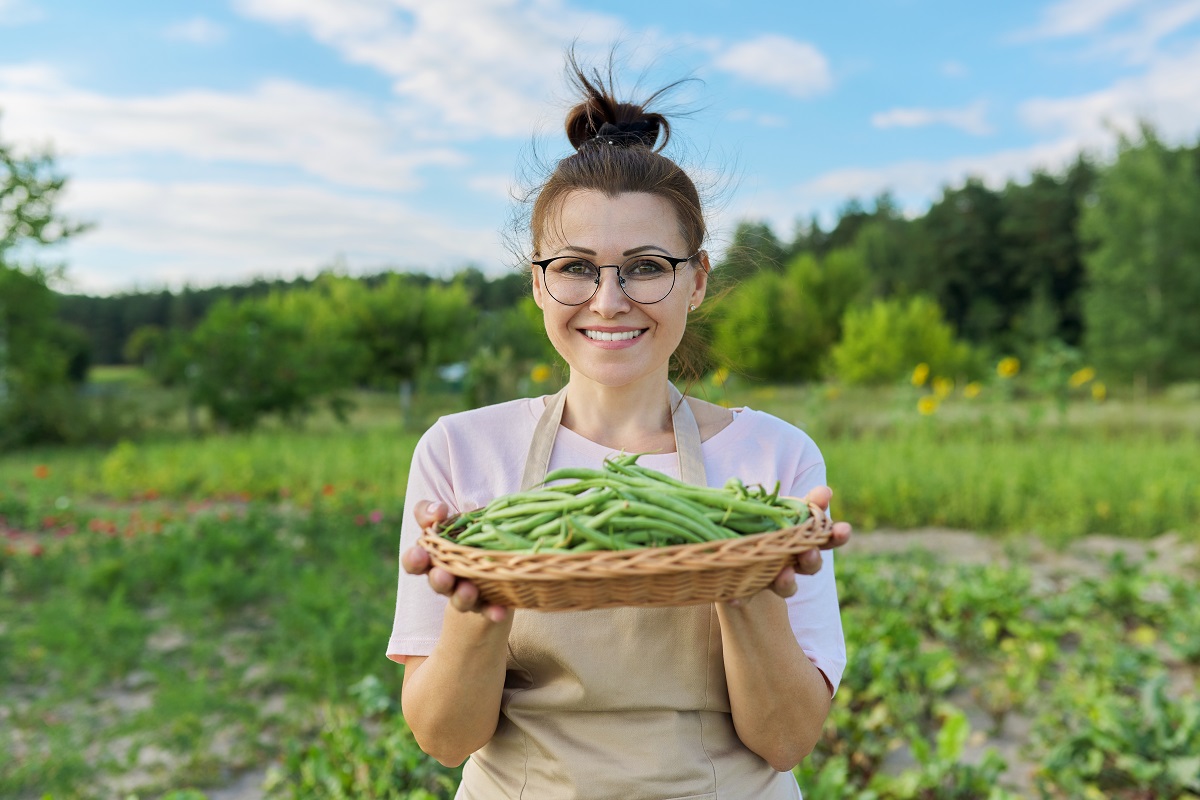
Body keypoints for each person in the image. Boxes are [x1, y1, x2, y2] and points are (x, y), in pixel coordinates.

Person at [387, 54, 852, 800]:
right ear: (537, 282)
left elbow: (789, 740)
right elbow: (445, 741)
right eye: (575, 267)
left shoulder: (775, 458)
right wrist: (481, 607)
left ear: (696, 280)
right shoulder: (462, 453)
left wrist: (747, 578)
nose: (608, 301)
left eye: (645, 266)